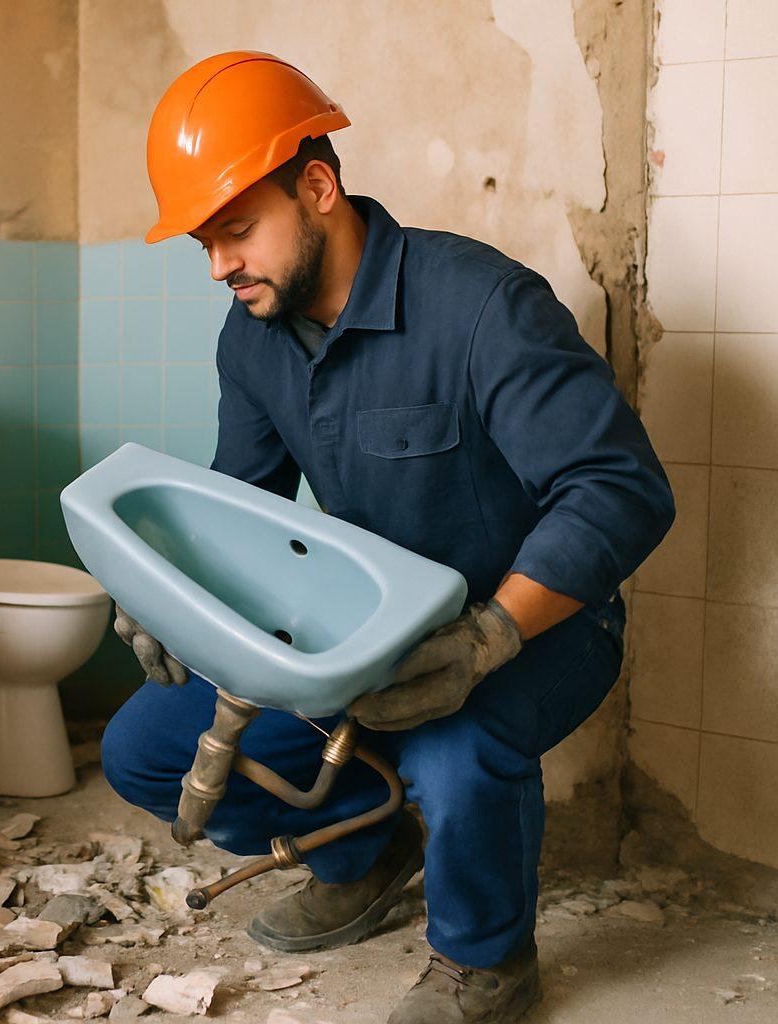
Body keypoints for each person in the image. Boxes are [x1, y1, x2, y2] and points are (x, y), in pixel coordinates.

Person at [100, 52, 675, 1024]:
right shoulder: (252, 339)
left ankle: (484, 961)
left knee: (453, 745)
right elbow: (235, 510)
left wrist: (489, 635)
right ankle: (365, 851)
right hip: (365, 628)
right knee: (146, 745)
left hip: (542, 623)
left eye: (236, 232)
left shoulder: (482, 306)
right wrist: (169, 597)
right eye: (202, 241)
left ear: (317, 187)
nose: (218, 267)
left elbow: (622, 489)